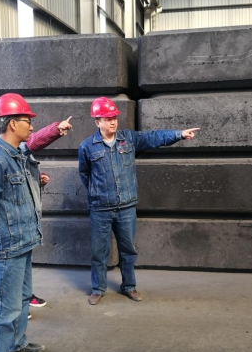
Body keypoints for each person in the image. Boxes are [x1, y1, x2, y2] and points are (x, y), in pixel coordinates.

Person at [0, 93, 72, 352]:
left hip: (24, 240)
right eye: (27, 121)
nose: (31, 126)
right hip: (7, 244)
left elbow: (15, 191)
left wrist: (37, 182)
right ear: (12, 124)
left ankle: (16, 343)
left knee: (23, 299)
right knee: (4, 307)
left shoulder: (18, 155)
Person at [78, 97, 199, 305]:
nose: (113, 122)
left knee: (128, 250)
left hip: (126, 207)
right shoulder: (87, 147)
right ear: (97, 122)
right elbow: (85, 174)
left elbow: (153, 137)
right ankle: (98, 288)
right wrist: (98, 193)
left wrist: (178, 134)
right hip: (100, 209)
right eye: (107, 119)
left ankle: (129, 286)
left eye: (114, 117)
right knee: (99, 252)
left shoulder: (128, 139)